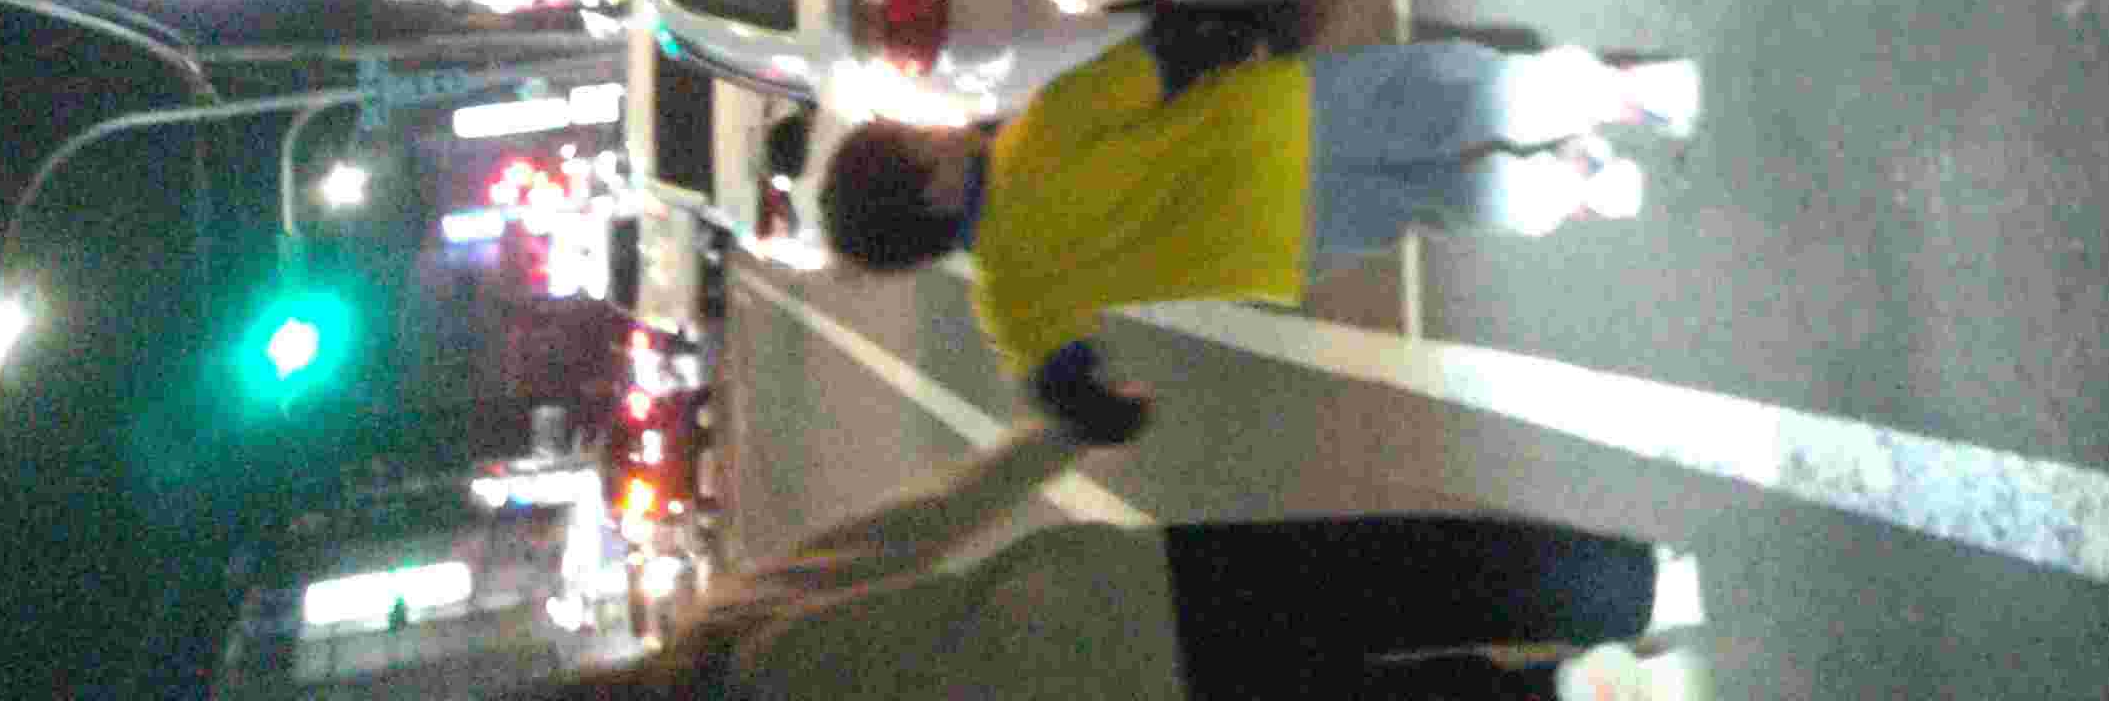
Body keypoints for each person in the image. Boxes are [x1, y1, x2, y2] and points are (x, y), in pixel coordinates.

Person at [820, 37, 1699, 441]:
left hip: (1279, 246)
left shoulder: (1007, 296)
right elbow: (1165, 58)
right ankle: (1630, 95)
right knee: (1448, 96)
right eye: (921, 135)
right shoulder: (1037, 134)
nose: (939, 127)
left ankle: (1577, 189)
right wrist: (1252, 22)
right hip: (1282, 122)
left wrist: (1112, 405)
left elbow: (1064, 387)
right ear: (933, 181)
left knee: (1434, 198)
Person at [514, 409, 1701, 699]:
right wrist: (1062, 432)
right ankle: (1636, 587)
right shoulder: (737, 629)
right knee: (1382, 580)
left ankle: (1590, 691)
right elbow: (927, 521)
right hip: (1119, 600)